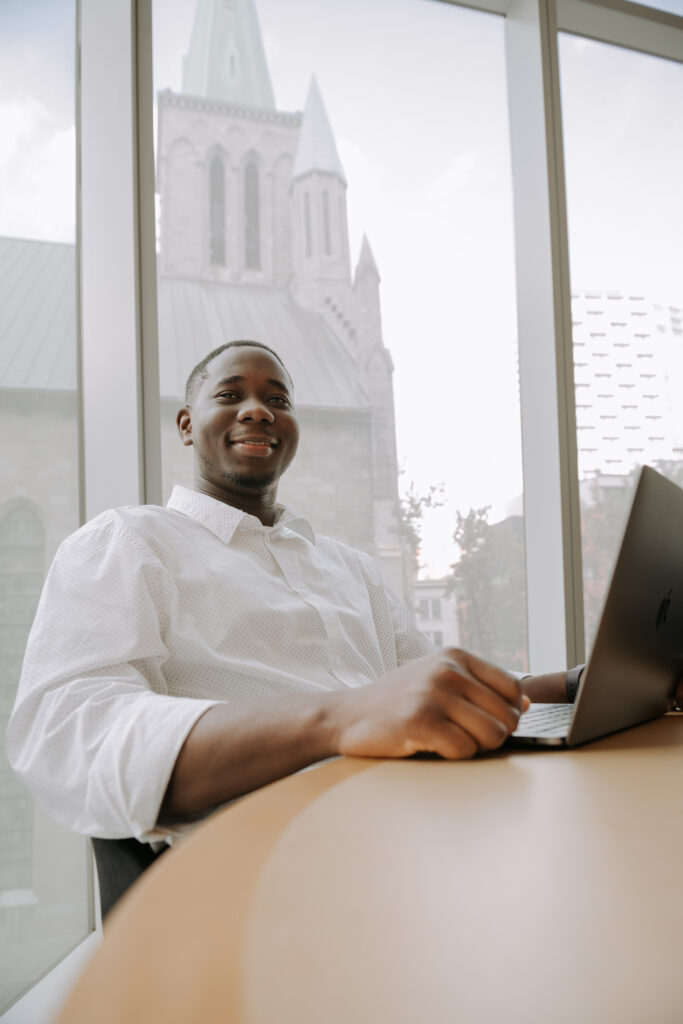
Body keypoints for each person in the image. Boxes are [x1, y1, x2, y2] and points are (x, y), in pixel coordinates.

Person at [7, 340, 569, 844]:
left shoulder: (351, 568)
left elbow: (439, 688)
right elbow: (68, 735)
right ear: (185, 425)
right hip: (281, 857)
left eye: (278, 399)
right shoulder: (129, 542)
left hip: (425, 817)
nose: (257, 410)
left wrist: (575, 687)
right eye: (230, 395)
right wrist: (341, 718)